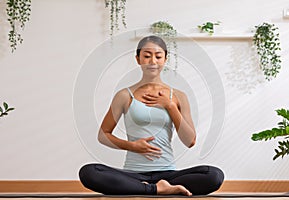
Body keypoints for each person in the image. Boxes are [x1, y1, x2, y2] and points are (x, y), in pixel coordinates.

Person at [79, 35, 224, 196]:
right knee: (89, 172)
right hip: (133, 174)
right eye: (147, 56)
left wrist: (170, 106)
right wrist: (132, 146)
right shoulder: (124, 95)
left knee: (214, 175)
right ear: (138, 59)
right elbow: (103, 135)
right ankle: (156, 189)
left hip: (168, 174)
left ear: (165, 59)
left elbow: (190, 141)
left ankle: (148, 188)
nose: (152, 61)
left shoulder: (178, 96)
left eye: (158, 56)